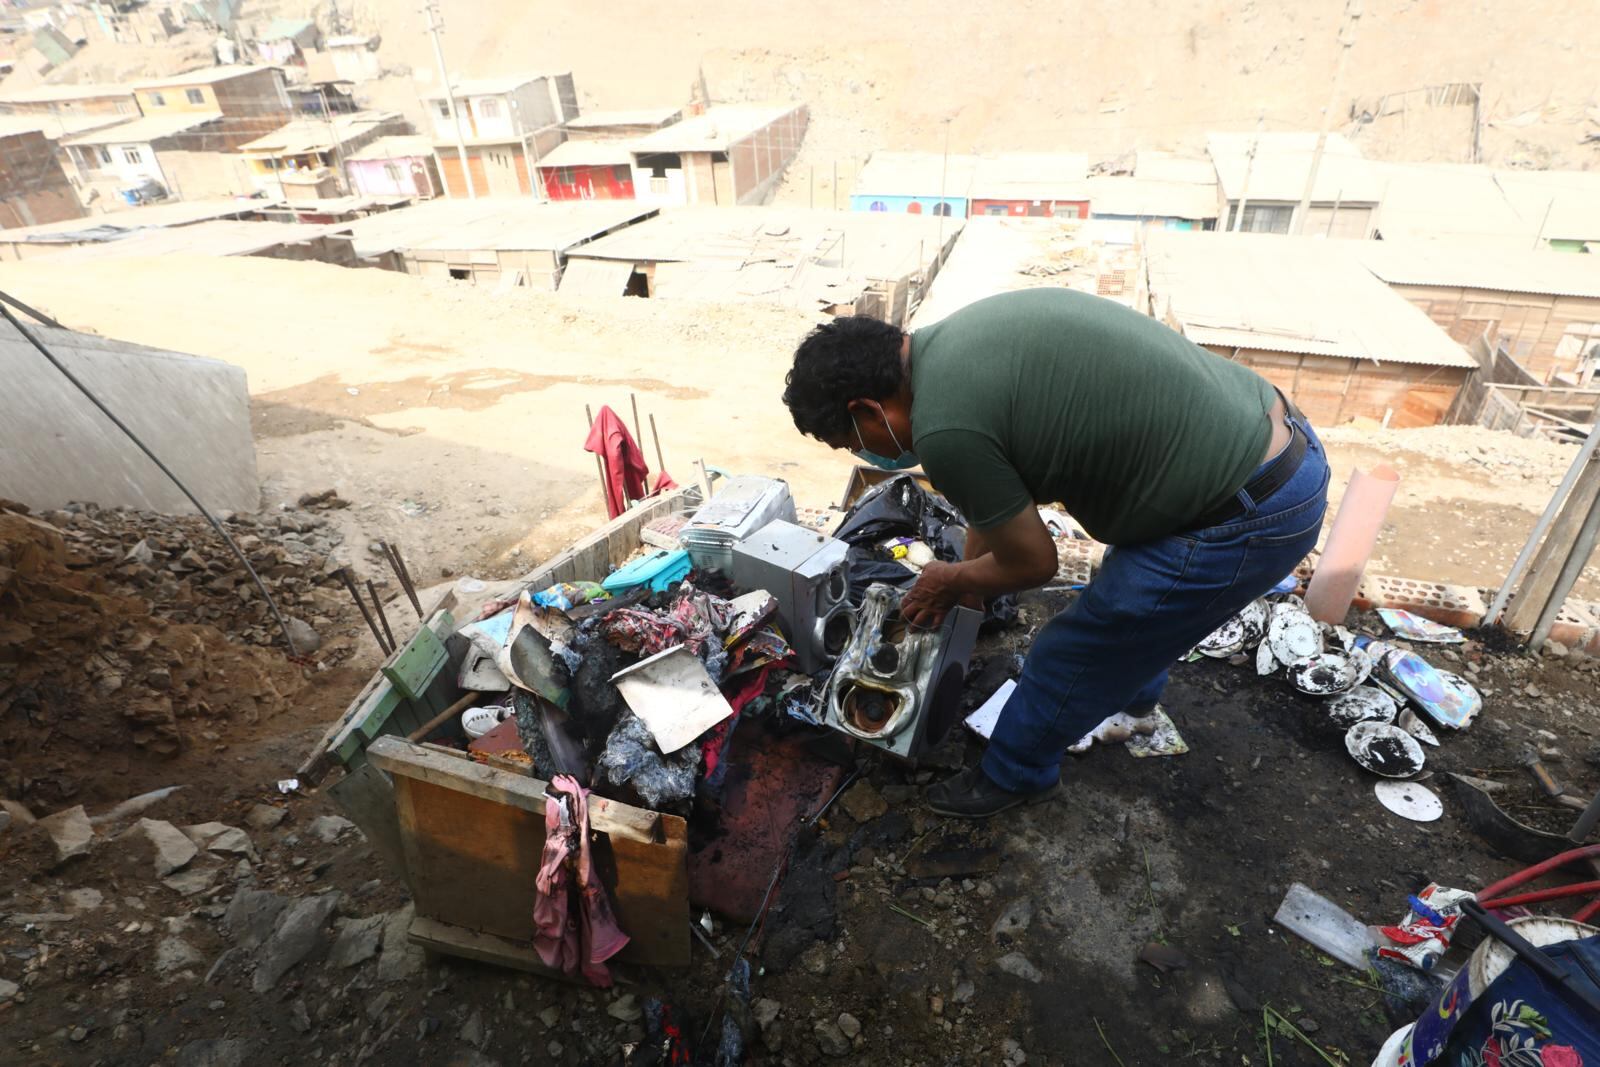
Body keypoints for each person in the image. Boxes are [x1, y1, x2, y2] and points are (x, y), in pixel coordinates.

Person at [781, 288, 1330, 818]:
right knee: (1148, 613)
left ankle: (1013, 775)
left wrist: (949, 580)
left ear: (866, 408)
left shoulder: (946, 427)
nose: (863, 452)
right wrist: (967, 585)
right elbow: (990, 513)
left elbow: (1034, 564)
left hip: (1245, 514)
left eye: (852, 440)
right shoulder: (954, 341)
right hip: (1272, 441)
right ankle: (1135, 706)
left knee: (1073, 651)